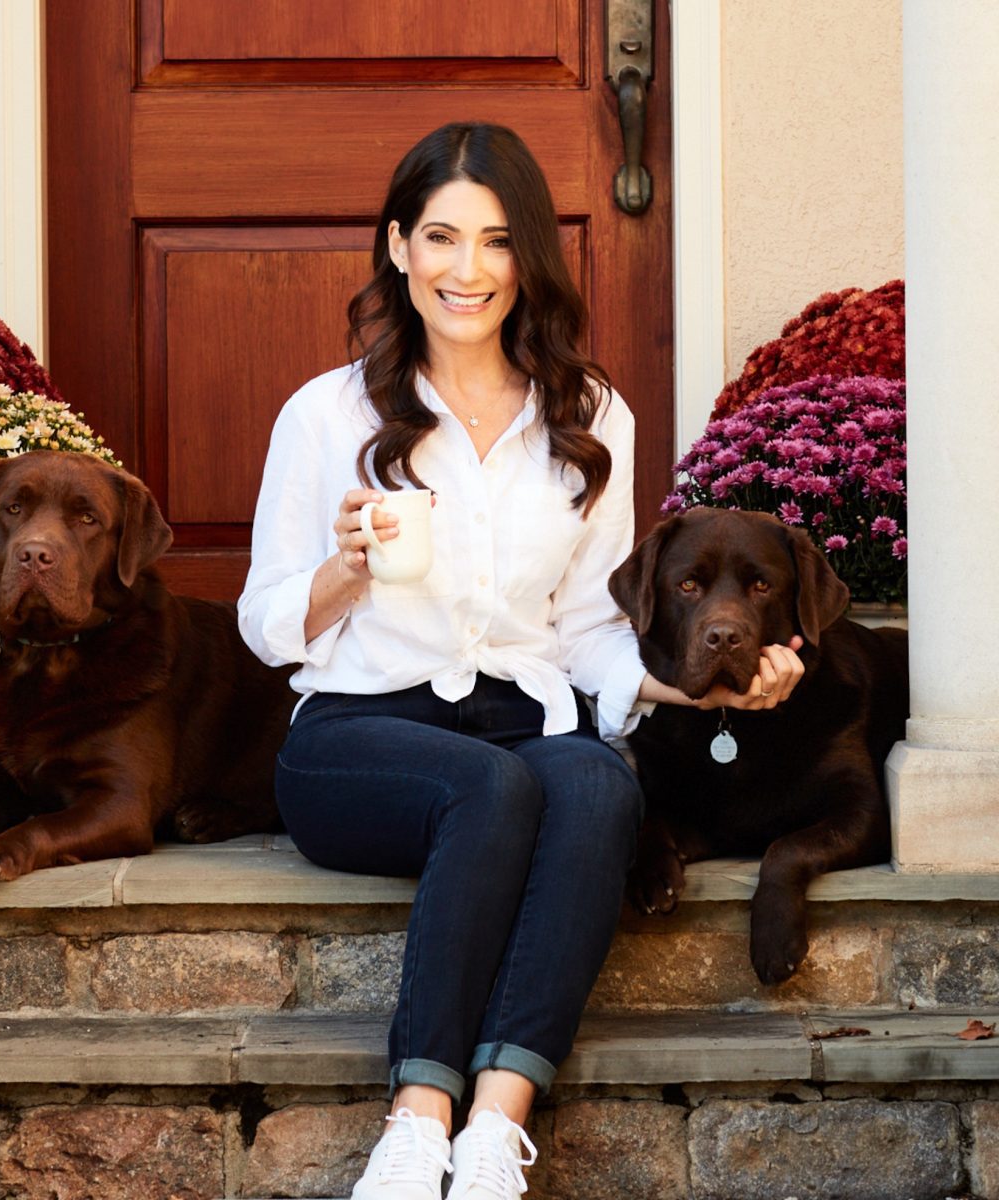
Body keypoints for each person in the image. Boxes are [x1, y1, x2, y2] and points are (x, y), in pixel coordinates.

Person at [238, 122, 803, 1200]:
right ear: (398, 248)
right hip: (358, 733)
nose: (467, 270)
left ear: (527, 258)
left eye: (496, 243)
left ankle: (497, 1129)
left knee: (594, 782)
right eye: (441, 238)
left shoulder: (590, 418)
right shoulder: (325, 414)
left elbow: (591, 630)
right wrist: (345, 573)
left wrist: (692, 682)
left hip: (520, 714)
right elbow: (264, 625)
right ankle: (415, 1125)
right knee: (491, 787)